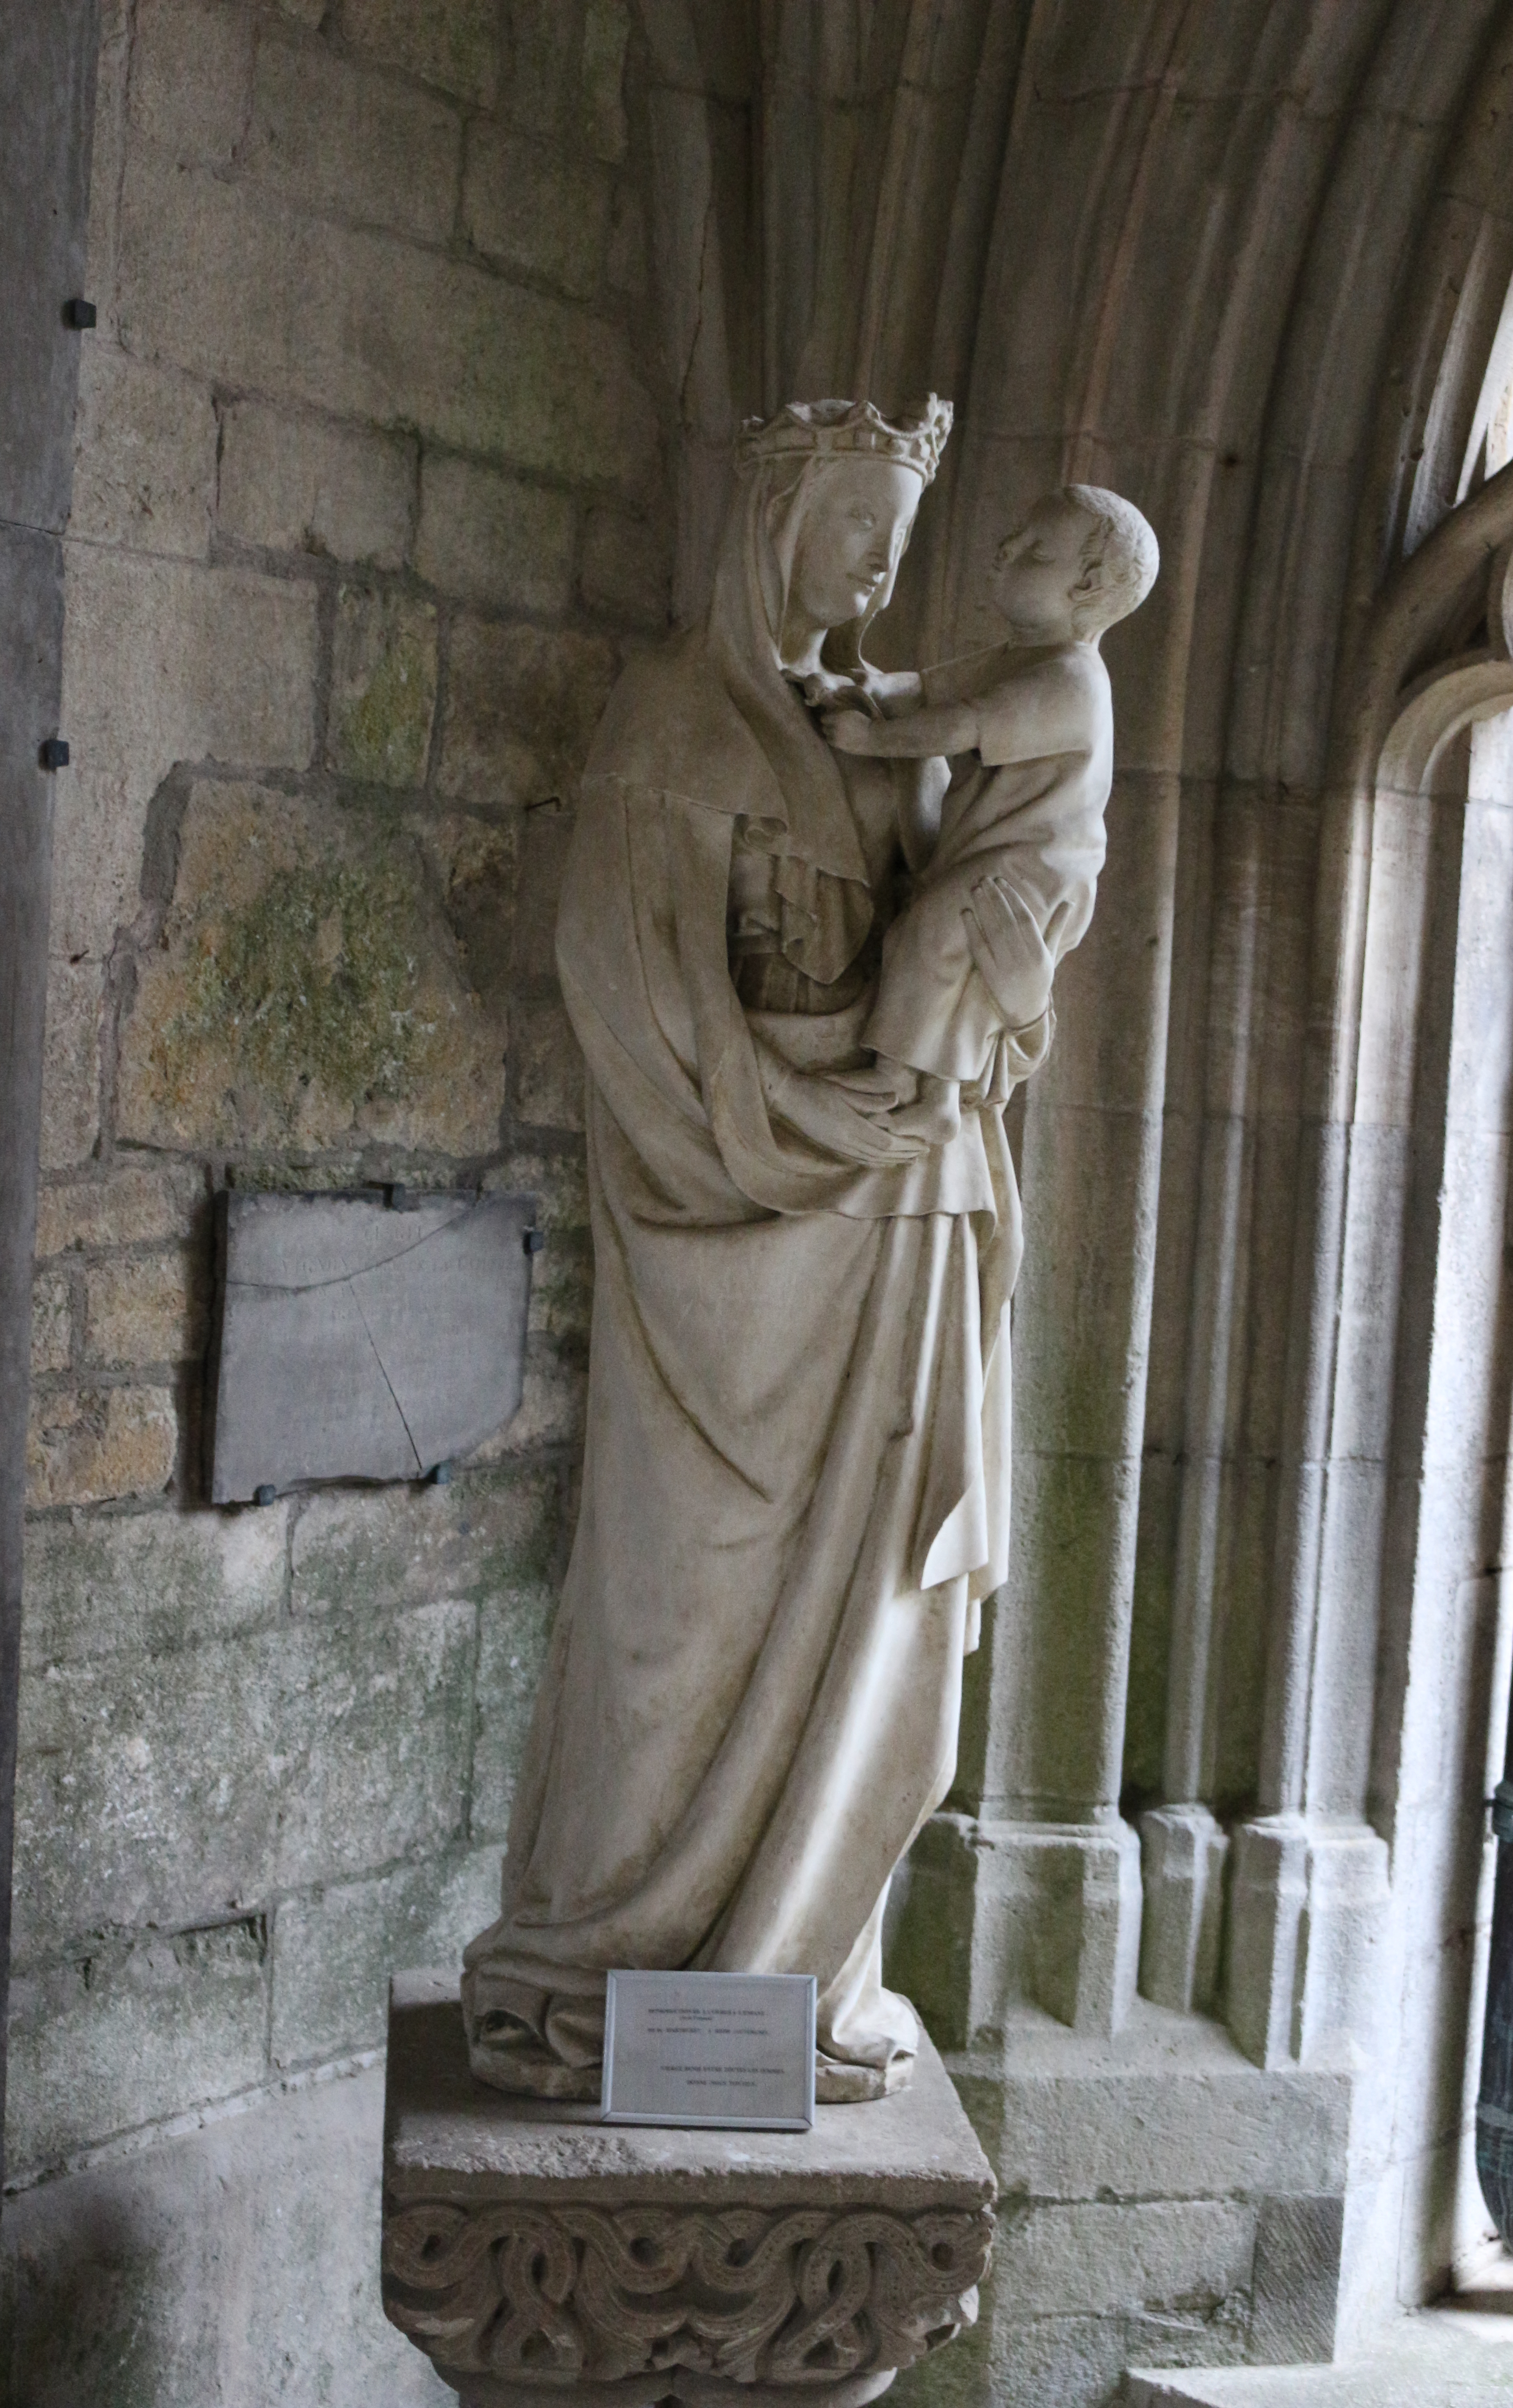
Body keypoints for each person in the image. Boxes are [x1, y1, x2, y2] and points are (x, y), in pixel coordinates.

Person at [461, 398, 1065, 2103]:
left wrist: (1002, 973)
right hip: (734, 1243)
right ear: (772, 522)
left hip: (897, 1235)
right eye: (855, 525)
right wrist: (813, 1111)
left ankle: (793, 1971)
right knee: (674, 1617)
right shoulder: (674, 722)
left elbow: (961, 967)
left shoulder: (888, 734)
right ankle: (605, 1959)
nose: (881, 564)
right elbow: (638, 1009)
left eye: (897, 534)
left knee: (884, 1617)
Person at [819, 486, 1158, 1147]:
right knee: (929, 941)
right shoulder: (1020, 657)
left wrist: (872, 741)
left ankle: (918, 1090)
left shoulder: (1074, 681)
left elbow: (961, 723)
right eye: (1017, 534)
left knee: (937, 937)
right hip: (990, 851)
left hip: (1034, 871)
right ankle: (911, 1083)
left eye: (1036, 550)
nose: (1007, 549)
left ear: (1085, 586)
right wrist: (859, 685)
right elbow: (924, 688)